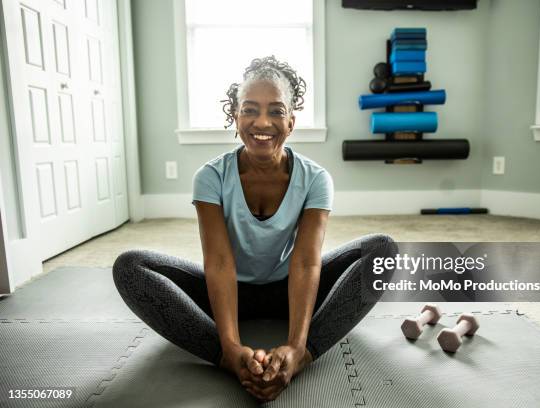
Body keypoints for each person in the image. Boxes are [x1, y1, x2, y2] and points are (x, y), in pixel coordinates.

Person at [112, 56, 395, 402]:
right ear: (235, 116)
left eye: (276, 111)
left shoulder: (316, 179)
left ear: (291, 122)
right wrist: (231, 347)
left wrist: (295, 345)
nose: (262, 122)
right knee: (130, 267)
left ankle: (303, 359)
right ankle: (227, 360)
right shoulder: (211, 177)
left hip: (289, 287)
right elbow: (218, 263)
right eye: (250, 110)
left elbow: (306, 263)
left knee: (382, 250)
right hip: (228, 291)